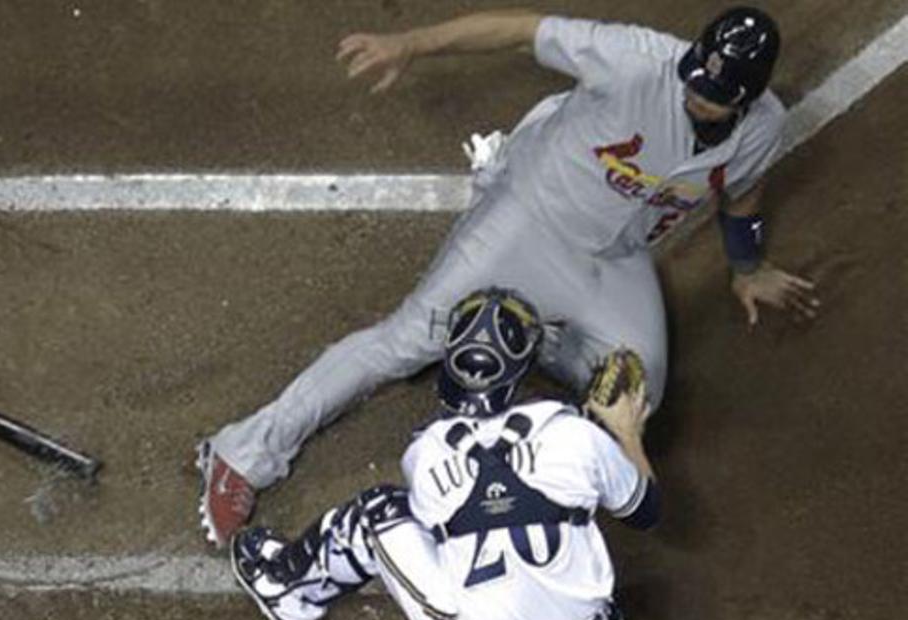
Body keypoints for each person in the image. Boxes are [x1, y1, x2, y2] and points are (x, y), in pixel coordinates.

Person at [197, 6, 820, 545]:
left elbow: (743, 192)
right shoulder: (634, 60)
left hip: (614, 261)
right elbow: (521, 29)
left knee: (635, 393)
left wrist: (748, 267)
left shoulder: (761, 128)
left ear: (743, 99)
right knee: (407, 342)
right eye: (693, 77)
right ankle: (242, 454)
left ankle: (524, 331)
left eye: (710, 94)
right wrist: (411, 44)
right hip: (529, 217)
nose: (693, 93)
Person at [231, 287, 711, 620]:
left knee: (378, 510)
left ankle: (289, 593)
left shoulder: (427, 453)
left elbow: (476, 505)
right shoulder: (575, 435)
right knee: (587, 578)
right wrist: (622, 433)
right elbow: (647, 512)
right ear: (522, 370)